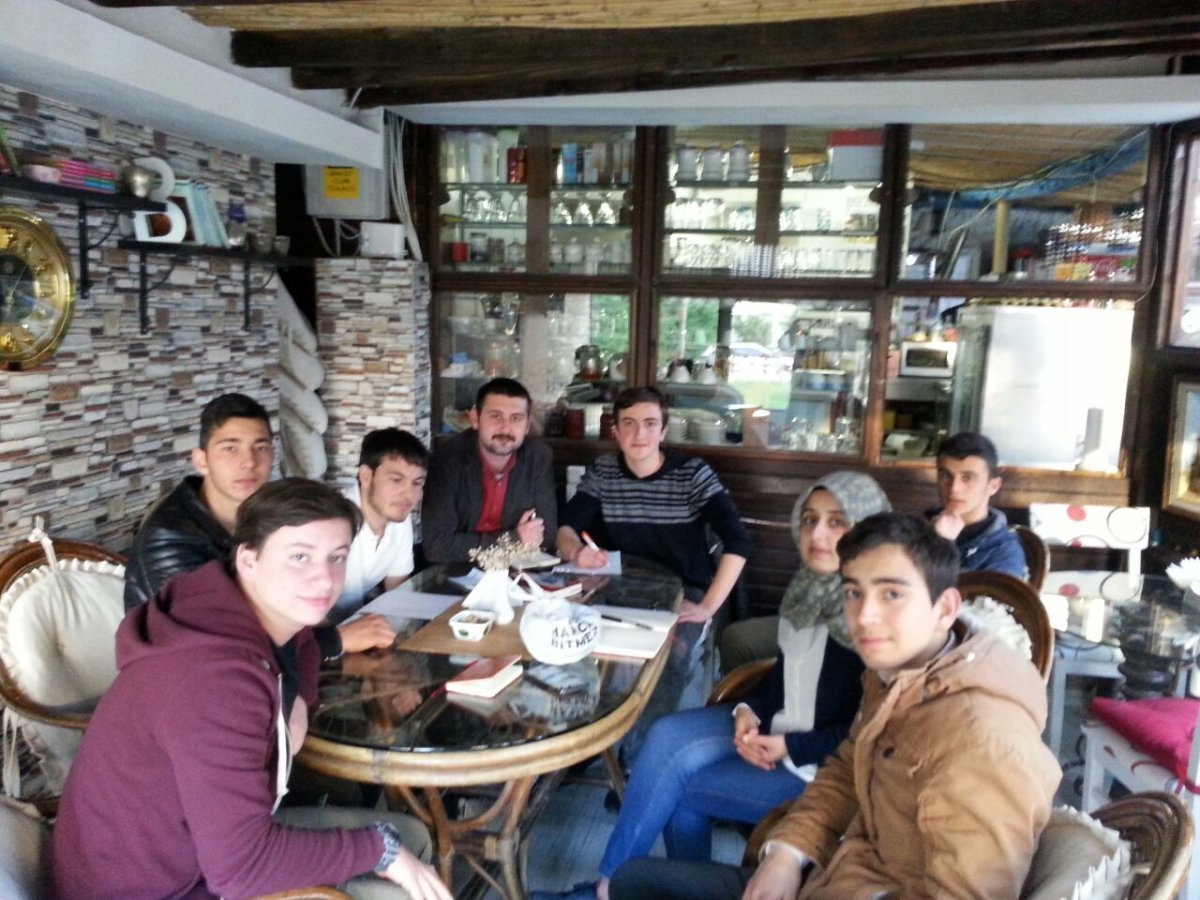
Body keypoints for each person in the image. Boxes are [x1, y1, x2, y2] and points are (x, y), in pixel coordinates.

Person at [609, 512, 1061, 900]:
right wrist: (787, 854)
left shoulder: (985, 742)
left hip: (856, 880)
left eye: (891, 594)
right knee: (634, 879)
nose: (864, 616)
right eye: (853, 593)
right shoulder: (897, 677)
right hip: (836, 874)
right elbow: (847, 767)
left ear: (945, 608)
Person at [52, 478, 454, 900]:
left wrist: (297, 700)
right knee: (399, 856)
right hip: (160, 888)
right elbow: (241, 869)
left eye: (337, 557)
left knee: (404, 834)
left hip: (190, 855)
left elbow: (303, 642)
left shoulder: (222, 606)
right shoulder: (215, 683)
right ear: (248, 560)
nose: (324, 579)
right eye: (299, 557)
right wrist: (381, 851)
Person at [535, 473, 889, 900]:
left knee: (681, 791)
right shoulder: (809, 588)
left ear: (867, 528)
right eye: (810, 519)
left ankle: (609, 892)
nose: (817, 534)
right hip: (777, 727)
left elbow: (870, 730)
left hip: (823, 771)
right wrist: (748, 710)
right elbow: (785, 674)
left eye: (837, 522)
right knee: (666, 735)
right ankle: (611, 885)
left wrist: (791, 746)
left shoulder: (874, 619)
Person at [123, 392, 395, 657]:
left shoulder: (264, 512)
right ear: (201, 460)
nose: (249, 462)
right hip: (197, 671)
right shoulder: (168, 539)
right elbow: (223, 635)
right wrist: (336, 640)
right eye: (230, 448)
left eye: (260, 448)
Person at [556, 385, 751, 625]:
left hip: (683, 592)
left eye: (650, 424)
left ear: (663, 432)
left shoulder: (692, 473)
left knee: (673, 650)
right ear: (616, 432)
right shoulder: (603, 471)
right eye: (629, 423)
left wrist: (707, 607)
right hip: (616, 589)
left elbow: (738, 541)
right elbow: (566, 528)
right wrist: (577, 552)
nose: (639, 434)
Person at [422, 377, 557, 563]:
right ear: (475, 419)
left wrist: (470, 544)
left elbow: (546, 536)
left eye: (516, 418)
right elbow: (438, 546)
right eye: (496, 416)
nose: (506, 428)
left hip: (517, 568)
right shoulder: (447, 460)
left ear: (527, 426)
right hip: (458, 571)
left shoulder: (537, 458)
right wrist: (515, 538)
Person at [331, 427, 429, 624]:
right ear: (366, 476)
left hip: (360, 620)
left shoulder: (398, 514)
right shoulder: (332, 519)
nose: (409, 495)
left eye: (417, 483)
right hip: (314, 630)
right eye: (396, 480)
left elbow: (397, 584)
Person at [929, 431, 1026, 578]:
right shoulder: (920, 526)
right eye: (946, 475)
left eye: (967, 478)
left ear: (993, 486)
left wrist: (941, 545)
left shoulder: (1004, 551)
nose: (954, 488)